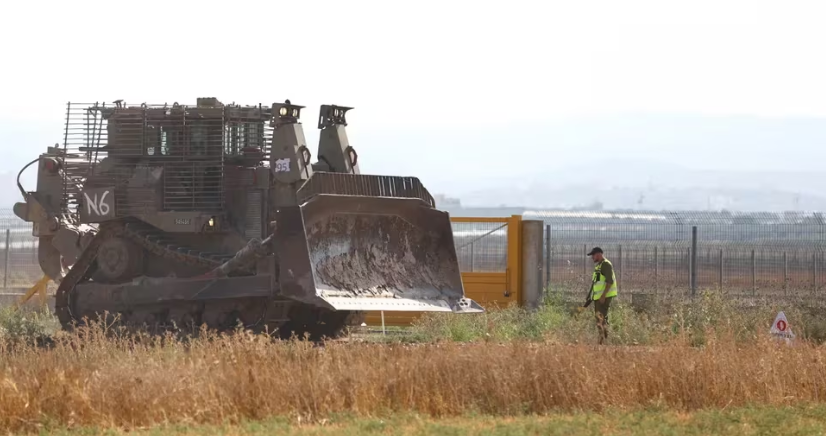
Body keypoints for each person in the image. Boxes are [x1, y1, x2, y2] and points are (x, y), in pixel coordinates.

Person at [587, 247, 617, 344]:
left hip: (604, 297)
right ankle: (602, 340)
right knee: (600, 318)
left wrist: (603, 296)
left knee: (601, 318)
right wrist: (590, 296)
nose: (592, 257)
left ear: (599, 254)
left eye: (593, 255)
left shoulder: (606, 265)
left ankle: (602, 341)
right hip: (598, 297)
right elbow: (596, 283)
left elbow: (609, 282)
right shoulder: (599, 266)